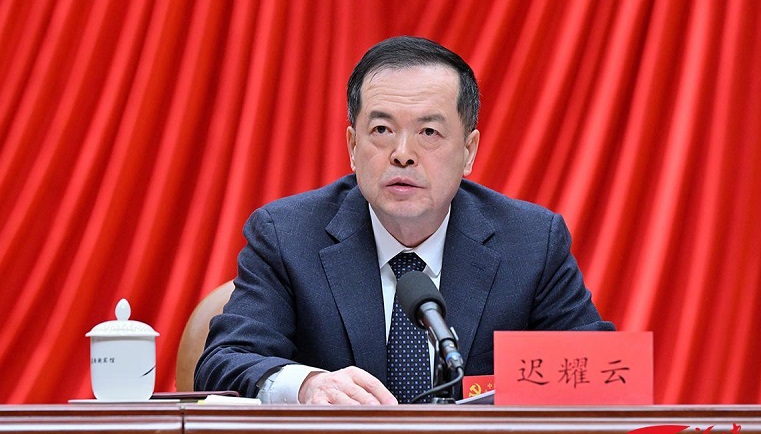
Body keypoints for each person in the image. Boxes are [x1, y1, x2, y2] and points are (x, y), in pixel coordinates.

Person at [195, 36, 614, 405]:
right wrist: (308, 385)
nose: (402, 154)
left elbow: (597, 372)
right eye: (381, 130)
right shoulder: (287, 236)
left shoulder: (530, 242)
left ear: (468, 151)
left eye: (429, 133)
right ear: (353, 146)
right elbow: (224, 362)